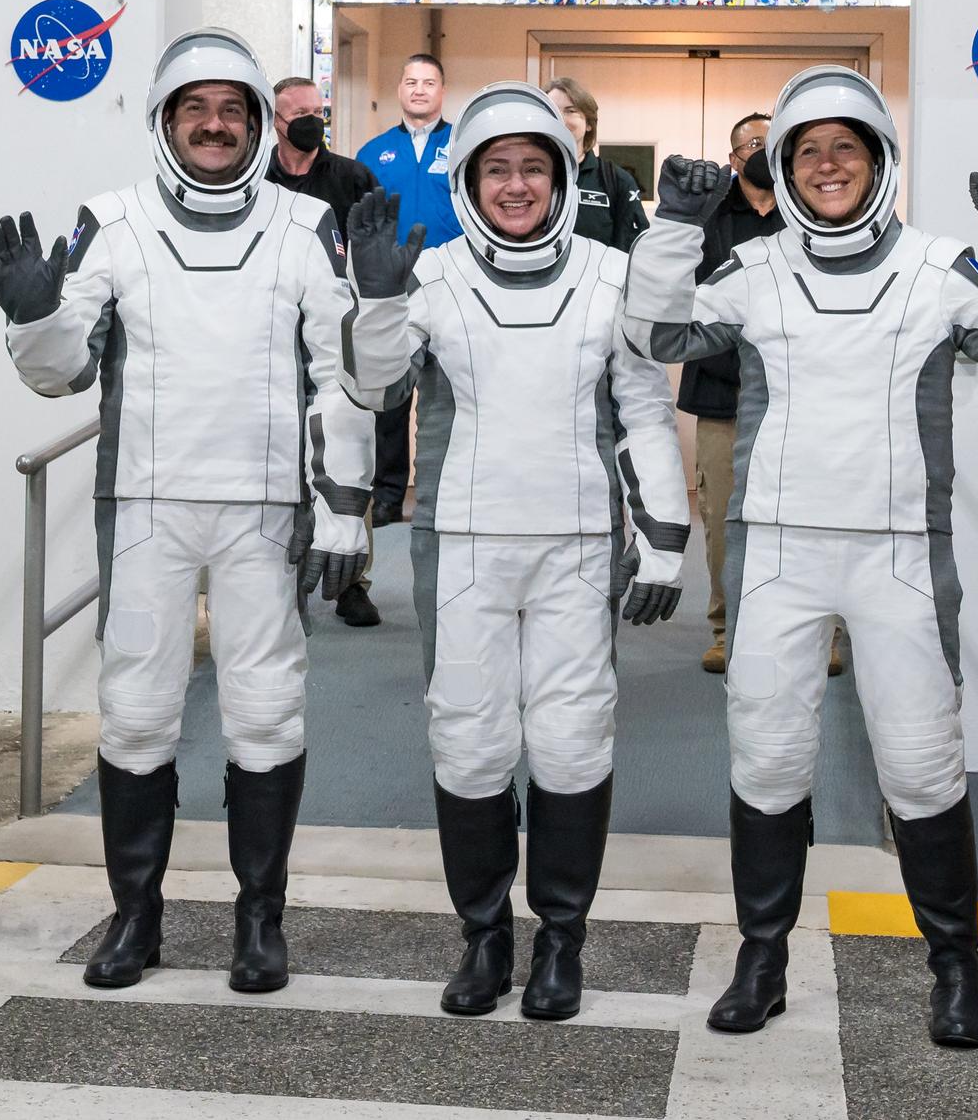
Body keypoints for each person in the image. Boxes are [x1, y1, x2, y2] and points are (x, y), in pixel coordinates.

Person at [623, 65, 978, 1049]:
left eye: (846, 147)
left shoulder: (940, 266)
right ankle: (762, 958)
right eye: (808, 150)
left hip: (901, 555)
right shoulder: (755, 266)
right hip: (779, 555)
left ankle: (956, 972)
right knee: (770, 760)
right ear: (783, 167)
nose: (828, 165)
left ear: (880, 162)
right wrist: (669, 230)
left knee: (919, 766)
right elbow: (653, 330)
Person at [0, 28, 370, 996]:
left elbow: (340, 379)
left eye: (230, 109)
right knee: (139, 710)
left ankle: (259, 919)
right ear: (165, 121)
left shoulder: (300, 227)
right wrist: (34, 315)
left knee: (266, 710)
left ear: (255, 123)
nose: (212, 124)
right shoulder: (110, 223)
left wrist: (346, 509)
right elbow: (66, 369)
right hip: (148, 502)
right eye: (193, 109)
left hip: (263, 507)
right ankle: (135, 915)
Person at [343, 82, 692, 1023]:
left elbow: (644, 412)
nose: (515, 185)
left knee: (574, 742)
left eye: (534, 167)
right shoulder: (431, 276)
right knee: (469, 738)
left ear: (563, 177)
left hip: (579, 544)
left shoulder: (613, 277)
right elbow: (371, 390)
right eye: (496, 168)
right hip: (462, 543)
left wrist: (662, 538)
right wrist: (376, 301)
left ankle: (562, 944)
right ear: (467, 178)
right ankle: (485, 938)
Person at [680, 111, 838, 678]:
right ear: (733, 158)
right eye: (748, 142)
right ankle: (727, 629)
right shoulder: (707, 218)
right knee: (724, 518)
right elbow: (683, 299)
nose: (759, 150)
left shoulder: (816, 211)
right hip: (722, 395)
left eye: (770, 143)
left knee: (813, 515)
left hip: (804, 393)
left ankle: (827, 633)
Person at [270, 76, 383, 628]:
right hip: (271, 338)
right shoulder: (255, 179)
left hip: (339, 334)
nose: (312, 121)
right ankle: (280, 572)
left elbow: (373, 249)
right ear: (275, 120)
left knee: (345, 450)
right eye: (300, 113)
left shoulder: (353, 176)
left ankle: (352, 580)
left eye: (320, 111)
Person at [358, 54, 456, 526]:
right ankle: (389, 496)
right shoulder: (373, 153)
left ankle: (442, 493)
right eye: (411, 81)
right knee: (391, 395)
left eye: (429, 82)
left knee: (450, 390)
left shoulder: (462, 147)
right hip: (395, 286)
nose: (419, 90)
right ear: (399, 89)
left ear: (442, 90)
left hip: (453, 284)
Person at [545, 76, 649, 251]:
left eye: (570, 111)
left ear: (588, 124)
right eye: (553, 111)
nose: (560, 119)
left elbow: (632, 250)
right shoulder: (527, 178)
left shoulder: (617, 181)